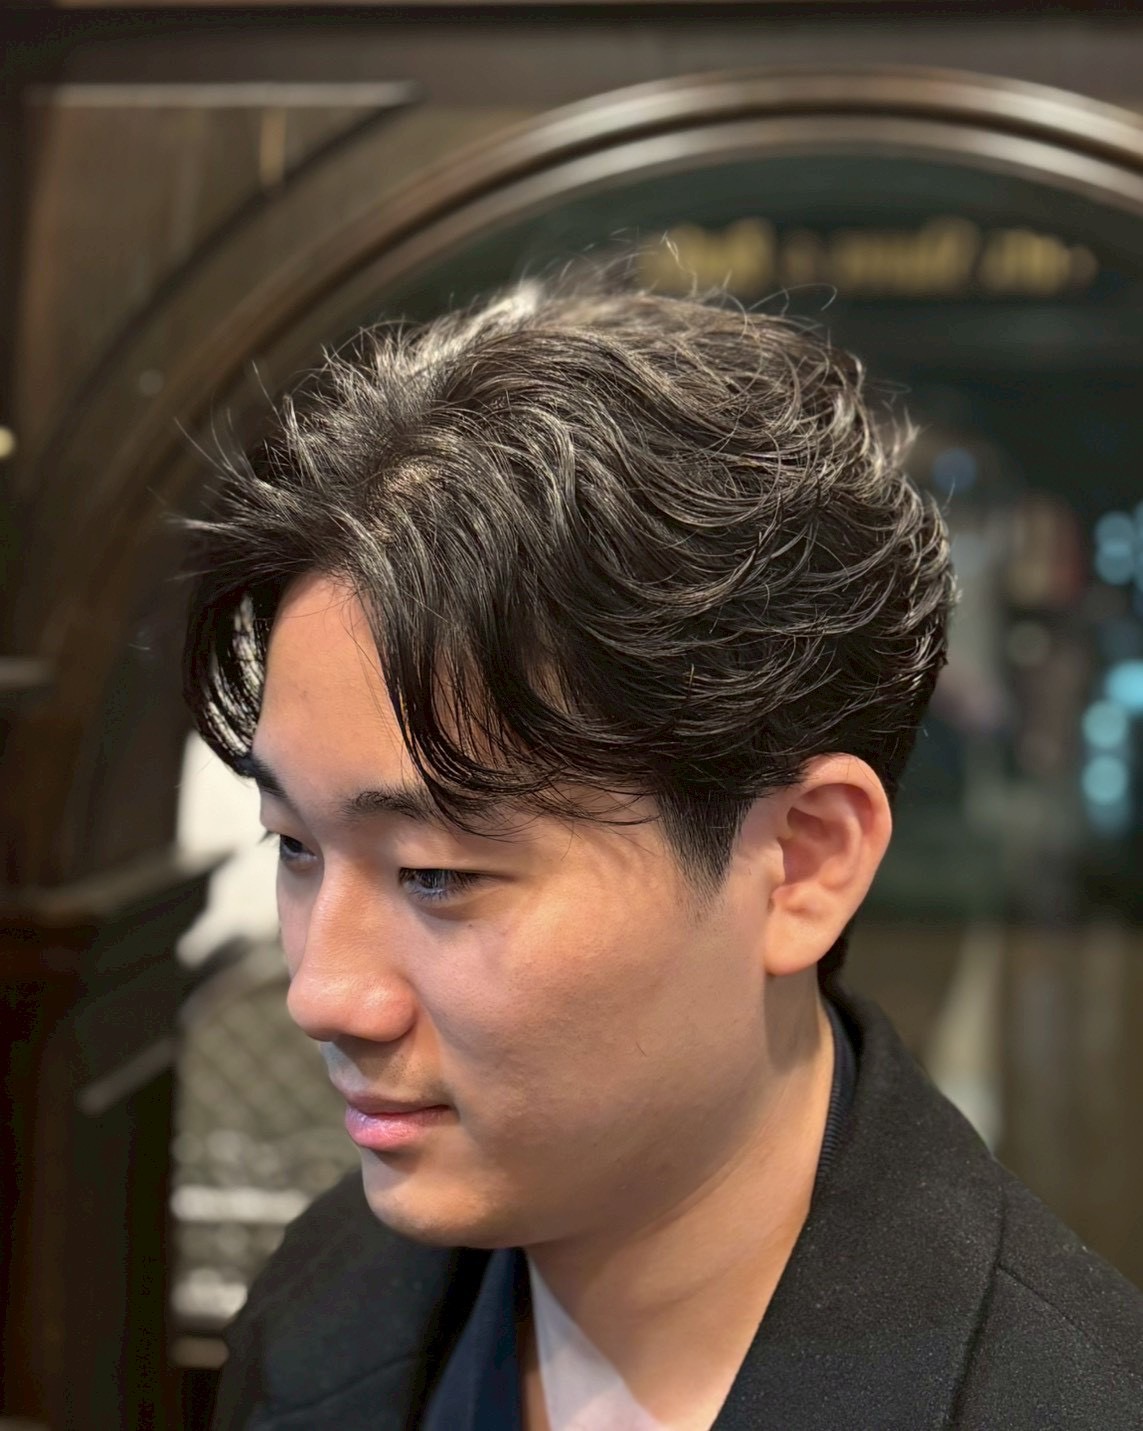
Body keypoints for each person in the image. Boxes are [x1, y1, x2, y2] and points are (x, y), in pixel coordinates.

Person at [183, 273, 1143, 1431]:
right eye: (293, 846)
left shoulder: (1058, 1398)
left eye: (436, 873)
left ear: (803, 860)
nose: (323, 995)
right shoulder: (321, 1308)